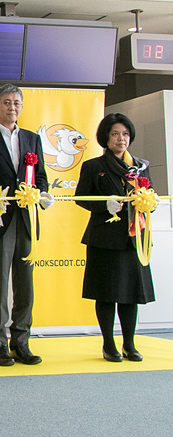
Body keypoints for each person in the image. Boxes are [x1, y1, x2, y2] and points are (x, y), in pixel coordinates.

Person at [0, 83, 54, 366]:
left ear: (21, 107)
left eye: (16, 103)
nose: (11, 107)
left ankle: (22, 341)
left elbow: (40, 177)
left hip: (26, 220)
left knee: (25, 286)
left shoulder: (32, 139)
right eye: (6, 102)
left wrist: (41, 193)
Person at [74, 113, 154, 362]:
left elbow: (149, 193)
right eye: (116, 134)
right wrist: (103, 205)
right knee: (106, 292)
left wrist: (151, 202)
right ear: (105, 137)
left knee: (131, 294)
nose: (122, 139)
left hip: (134, 239)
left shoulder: (141, 166)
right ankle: (109, 344)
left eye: (126, 134)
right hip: (104, 238)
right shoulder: (93, 166)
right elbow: (80, 197)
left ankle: (129, 343)